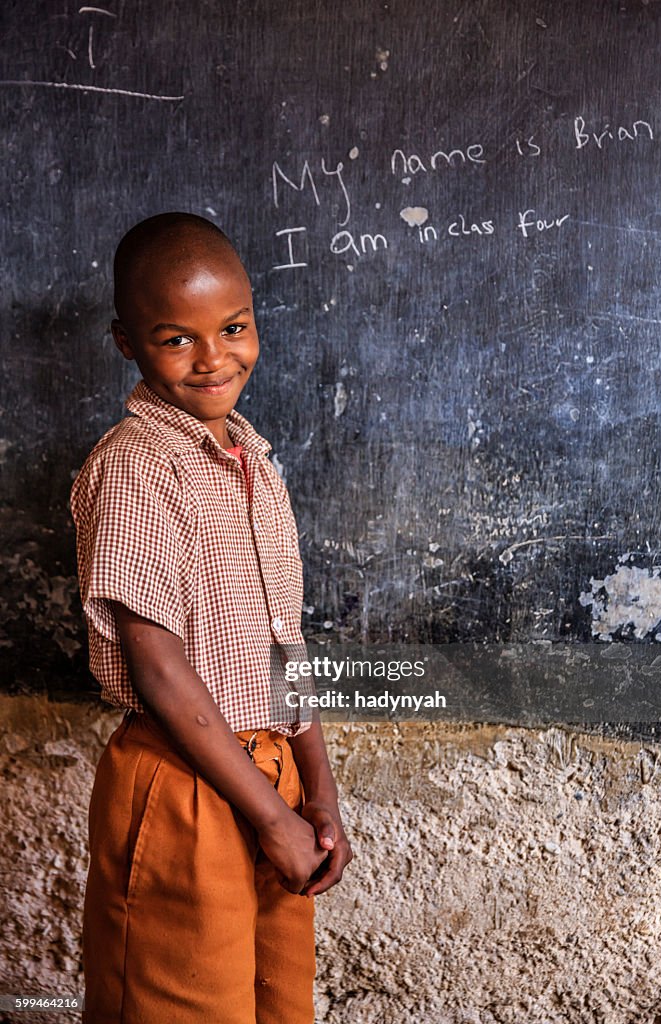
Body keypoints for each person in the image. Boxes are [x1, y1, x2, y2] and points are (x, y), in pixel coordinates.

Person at [70, 211, 352, 1024]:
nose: (213, 358)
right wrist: (269, 816)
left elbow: (283, 648)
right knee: (183, 1007)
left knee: (274, 1005)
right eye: (175, 339)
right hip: (186, 785)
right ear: (127, 342)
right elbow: (159, 670)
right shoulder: (133, 469)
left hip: (275, 775)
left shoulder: (254, 465)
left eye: (232, 327)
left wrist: (318, 798)